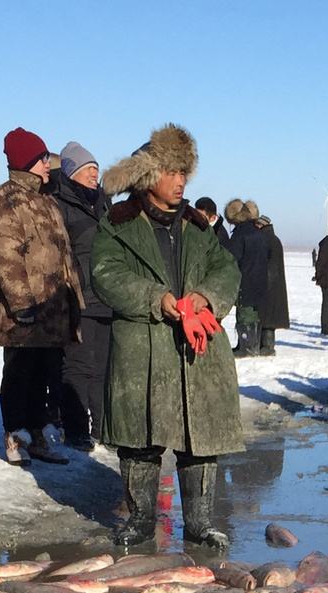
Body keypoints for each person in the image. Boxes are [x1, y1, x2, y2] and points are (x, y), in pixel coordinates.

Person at [91, 123, 241, 547]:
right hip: (144, 345)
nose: (180, 182)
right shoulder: (117, 225)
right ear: (147, 175)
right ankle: (140, 520)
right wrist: (159, 299)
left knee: (200, 435)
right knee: (140, 437)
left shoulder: (197, 226)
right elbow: (106, 274)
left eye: (183, 173)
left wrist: (205, 297)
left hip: (198, 346)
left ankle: (199, 521)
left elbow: (226, 269)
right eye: (171, 172)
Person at [0, 128, 79, 466]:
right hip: (23, 312)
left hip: (52, 309)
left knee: (44, 375)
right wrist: (22, 304)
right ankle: (15, 435)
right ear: (26, 161)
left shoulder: (46, 200)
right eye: (41, 159)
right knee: (20, 374)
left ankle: (37, 434)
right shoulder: (3, 200)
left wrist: (71, 298)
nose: (47, 164)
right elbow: (4, 257)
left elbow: (62, 255)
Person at [52, 142, 110, 450]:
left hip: (107, 297)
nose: (93, 174)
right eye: (88, 169)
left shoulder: (103, 203)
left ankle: (102, 427)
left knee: (103, 367)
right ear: (71, 172)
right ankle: (76, 430)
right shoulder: (60, 203)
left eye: (96, 169)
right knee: (78, 366)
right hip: (78, 296)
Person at [223, 199, 270, 356]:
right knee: (254, 314)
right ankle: (253, 344)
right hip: (260, 281)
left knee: (245, 314)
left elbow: (230, 259)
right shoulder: (259, 234)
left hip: (245, 281)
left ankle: (246, 347)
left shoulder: (240, 235)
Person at [257, 207, 288, 356]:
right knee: (270, 317)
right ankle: (266, 345)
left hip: (268, 283)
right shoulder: (273, 239)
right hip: (274, 283)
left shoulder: (265, 240)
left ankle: (267, 347)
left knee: (267, 317)